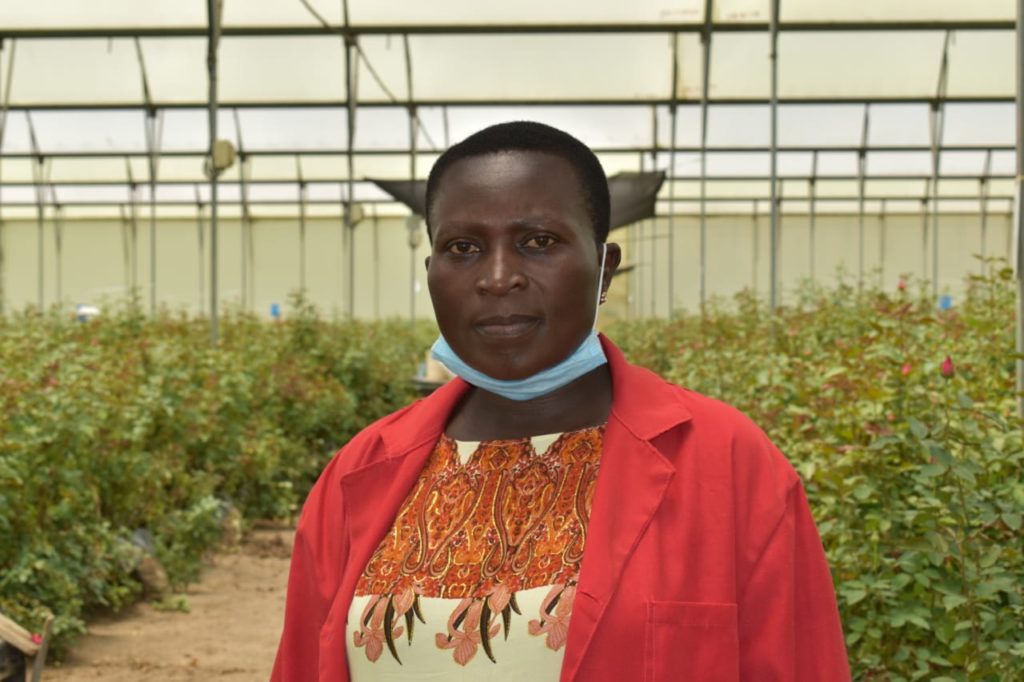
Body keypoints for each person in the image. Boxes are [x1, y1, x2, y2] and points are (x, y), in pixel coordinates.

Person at [271, 121, 850, 681]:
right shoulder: (360, 472)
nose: (498, 277)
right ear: (431, 273)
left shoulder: (728, 464)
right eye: (464, 247)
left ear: (605, 270)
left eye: (538, 242)